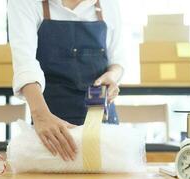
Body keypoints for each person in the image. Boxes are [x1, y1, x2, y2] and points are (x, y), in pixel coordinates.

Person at [8, 0, 124, 162]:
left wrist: (112, 75)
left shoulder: (108, 4)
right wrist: (40, 115)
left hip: (103, 126)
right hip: (52, 128)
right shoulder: (26, 3)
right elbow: (25, 63)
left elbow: (118, 60)